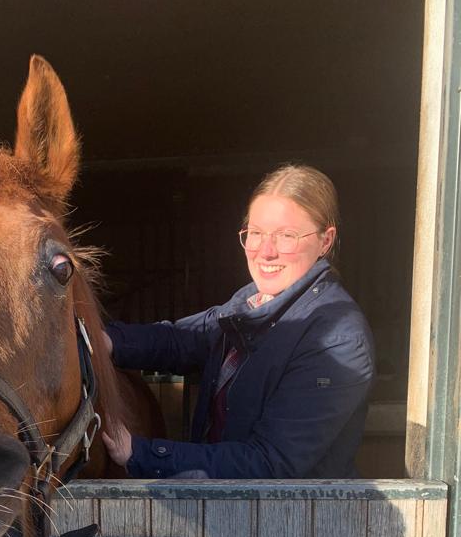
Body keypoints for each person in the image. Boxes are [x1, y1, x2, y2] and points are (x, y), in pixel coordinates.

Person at [101, 164, 375, 479]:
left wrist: (139, 453)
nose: (266, 252)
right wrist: (104, 340)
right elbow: (183, 340)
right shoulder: (251, 305)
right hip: (229, 502)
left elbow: (271, 462)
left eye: (286, 236)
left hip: (289, 510)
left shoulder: (336, 340)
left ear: (325, 241)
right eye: (256, 233)